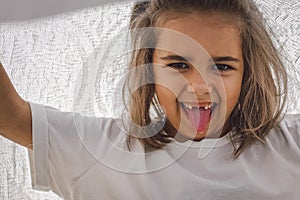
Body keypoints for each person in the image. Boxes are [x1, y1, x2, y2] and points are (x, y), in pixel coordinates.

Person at [0, 0, 299, 199]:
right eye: (178, 65)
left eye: (221, 67)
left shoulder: (291, 146)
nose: (199, 86)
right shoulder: (101, 151)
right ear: (148, 67)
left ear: (247, 71)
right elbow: (10, 116)